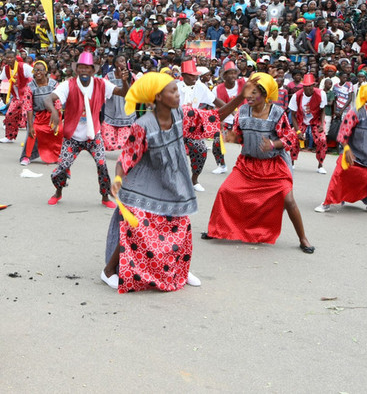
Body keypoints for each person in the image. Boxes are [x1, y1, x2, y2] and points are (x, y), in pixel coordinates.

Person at [102, 72, 251, 292]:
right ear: (158, 97)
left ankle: (180, 269)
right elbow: (126, 158)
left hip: (173, 181)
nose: (178, 94)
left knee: (181, 225)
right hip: (144, 182)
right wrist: (117, 179)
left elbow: (215, 116)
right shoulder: (143, 125)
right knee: (138, 224)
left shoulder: (183, 115)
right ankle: (108, 271)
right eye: (172, 91)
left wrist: (240, 97)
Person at [203, 73, 315, 254]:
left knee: (288, 199)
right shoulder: (243, 112)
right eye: (249, 92)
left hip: (273, 165)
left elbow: (290, 138)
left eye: (255, 93)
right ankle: (217, 230)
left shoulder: (277, 113)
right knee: (226, 191)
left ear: (266, 95)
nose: (250, 96)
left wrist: (273, 144)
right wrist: (232, 136)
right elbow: (237, 134)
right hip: (248, 164)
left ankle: (303, 238)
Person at [43, 52, 129, 207]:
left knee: (102, 165)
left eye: (87, 68)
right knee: (62, 167)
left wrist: (125, 81)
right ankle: (58, 192)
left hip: (94, 135)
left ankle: (104, 197)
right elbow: (48, 99)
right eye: (80, 67)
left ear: (92, 70)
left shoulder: (101, 84)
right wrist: (54, 112)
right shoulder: (68, 85)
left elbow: (123, 93)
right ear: (77, 70)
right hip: (72, 137)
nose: (83, 71)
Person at [314, 83, 367, 216]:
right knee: (339, 174)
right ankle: (327, 203)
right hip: (354, 153)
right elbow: (343, 133)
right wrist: (347, 149)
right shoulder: (356, 112)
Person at [178, 60, 226, 191]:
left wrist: (232, 110)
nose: (195, 78)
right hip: (175, 127)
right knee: (175, 154)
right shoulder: (174, 87)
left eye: (196, 75)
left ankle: (194, 180)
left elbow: (215, 100)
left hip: (193, 127)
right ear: (183, 75)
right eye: (191, 75)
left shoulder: (201, 87)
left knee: (201, 151)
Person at [20, 60, 64, 165]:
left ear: (45, 71)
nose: (38, 72)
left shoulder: (54, 84)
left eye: (40, 70)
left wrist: (57, 118)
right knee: (33, 132)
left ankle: (56, 156)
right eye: (35, 70)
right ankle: (27, 156)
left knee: (58, 132)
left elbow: (57, 102)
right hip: (37, 114)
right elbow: (29, 107)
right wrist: (30, 125)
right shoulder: (30, 86)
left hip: (51, 113)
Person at [0, 50, 34, 143]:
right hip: (16, 97)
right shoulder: (6, 69)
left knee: (28, 118)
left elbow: (35, 77)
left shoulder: (24, 66)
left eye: (11, 57)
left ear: (15, 58)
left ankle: (33, 139)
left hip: (26, 96)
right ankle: (10, 137)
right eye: (7, 58)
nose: (9, 59)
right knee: (9, 115)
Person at [289, 74, 328, 173]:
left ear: (314, 85)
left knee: (322, 139)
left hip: (316, 120)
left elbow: (323, 110)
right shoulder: (296, 96)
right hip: (301, 119)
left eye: (311, 86)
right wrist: (298, 131)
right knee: (294, 138)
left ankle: (320, 165)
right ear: (303, 86)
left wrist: (322, 125)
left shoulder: (321, 94)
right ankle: (291, 163)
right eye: (306, 86)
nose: (309, 88)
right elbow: (293, 115)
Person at [101, 55, 136, 151]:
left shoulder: (131, 76)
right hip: (111, 110)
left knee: (123, 145)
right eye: (121, 61)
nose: (124, 63)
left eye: (125, 61)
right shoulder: (109, 76)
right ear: (115, 64)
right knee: (109, 146)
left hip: (126, 112)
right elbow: (102, 89)